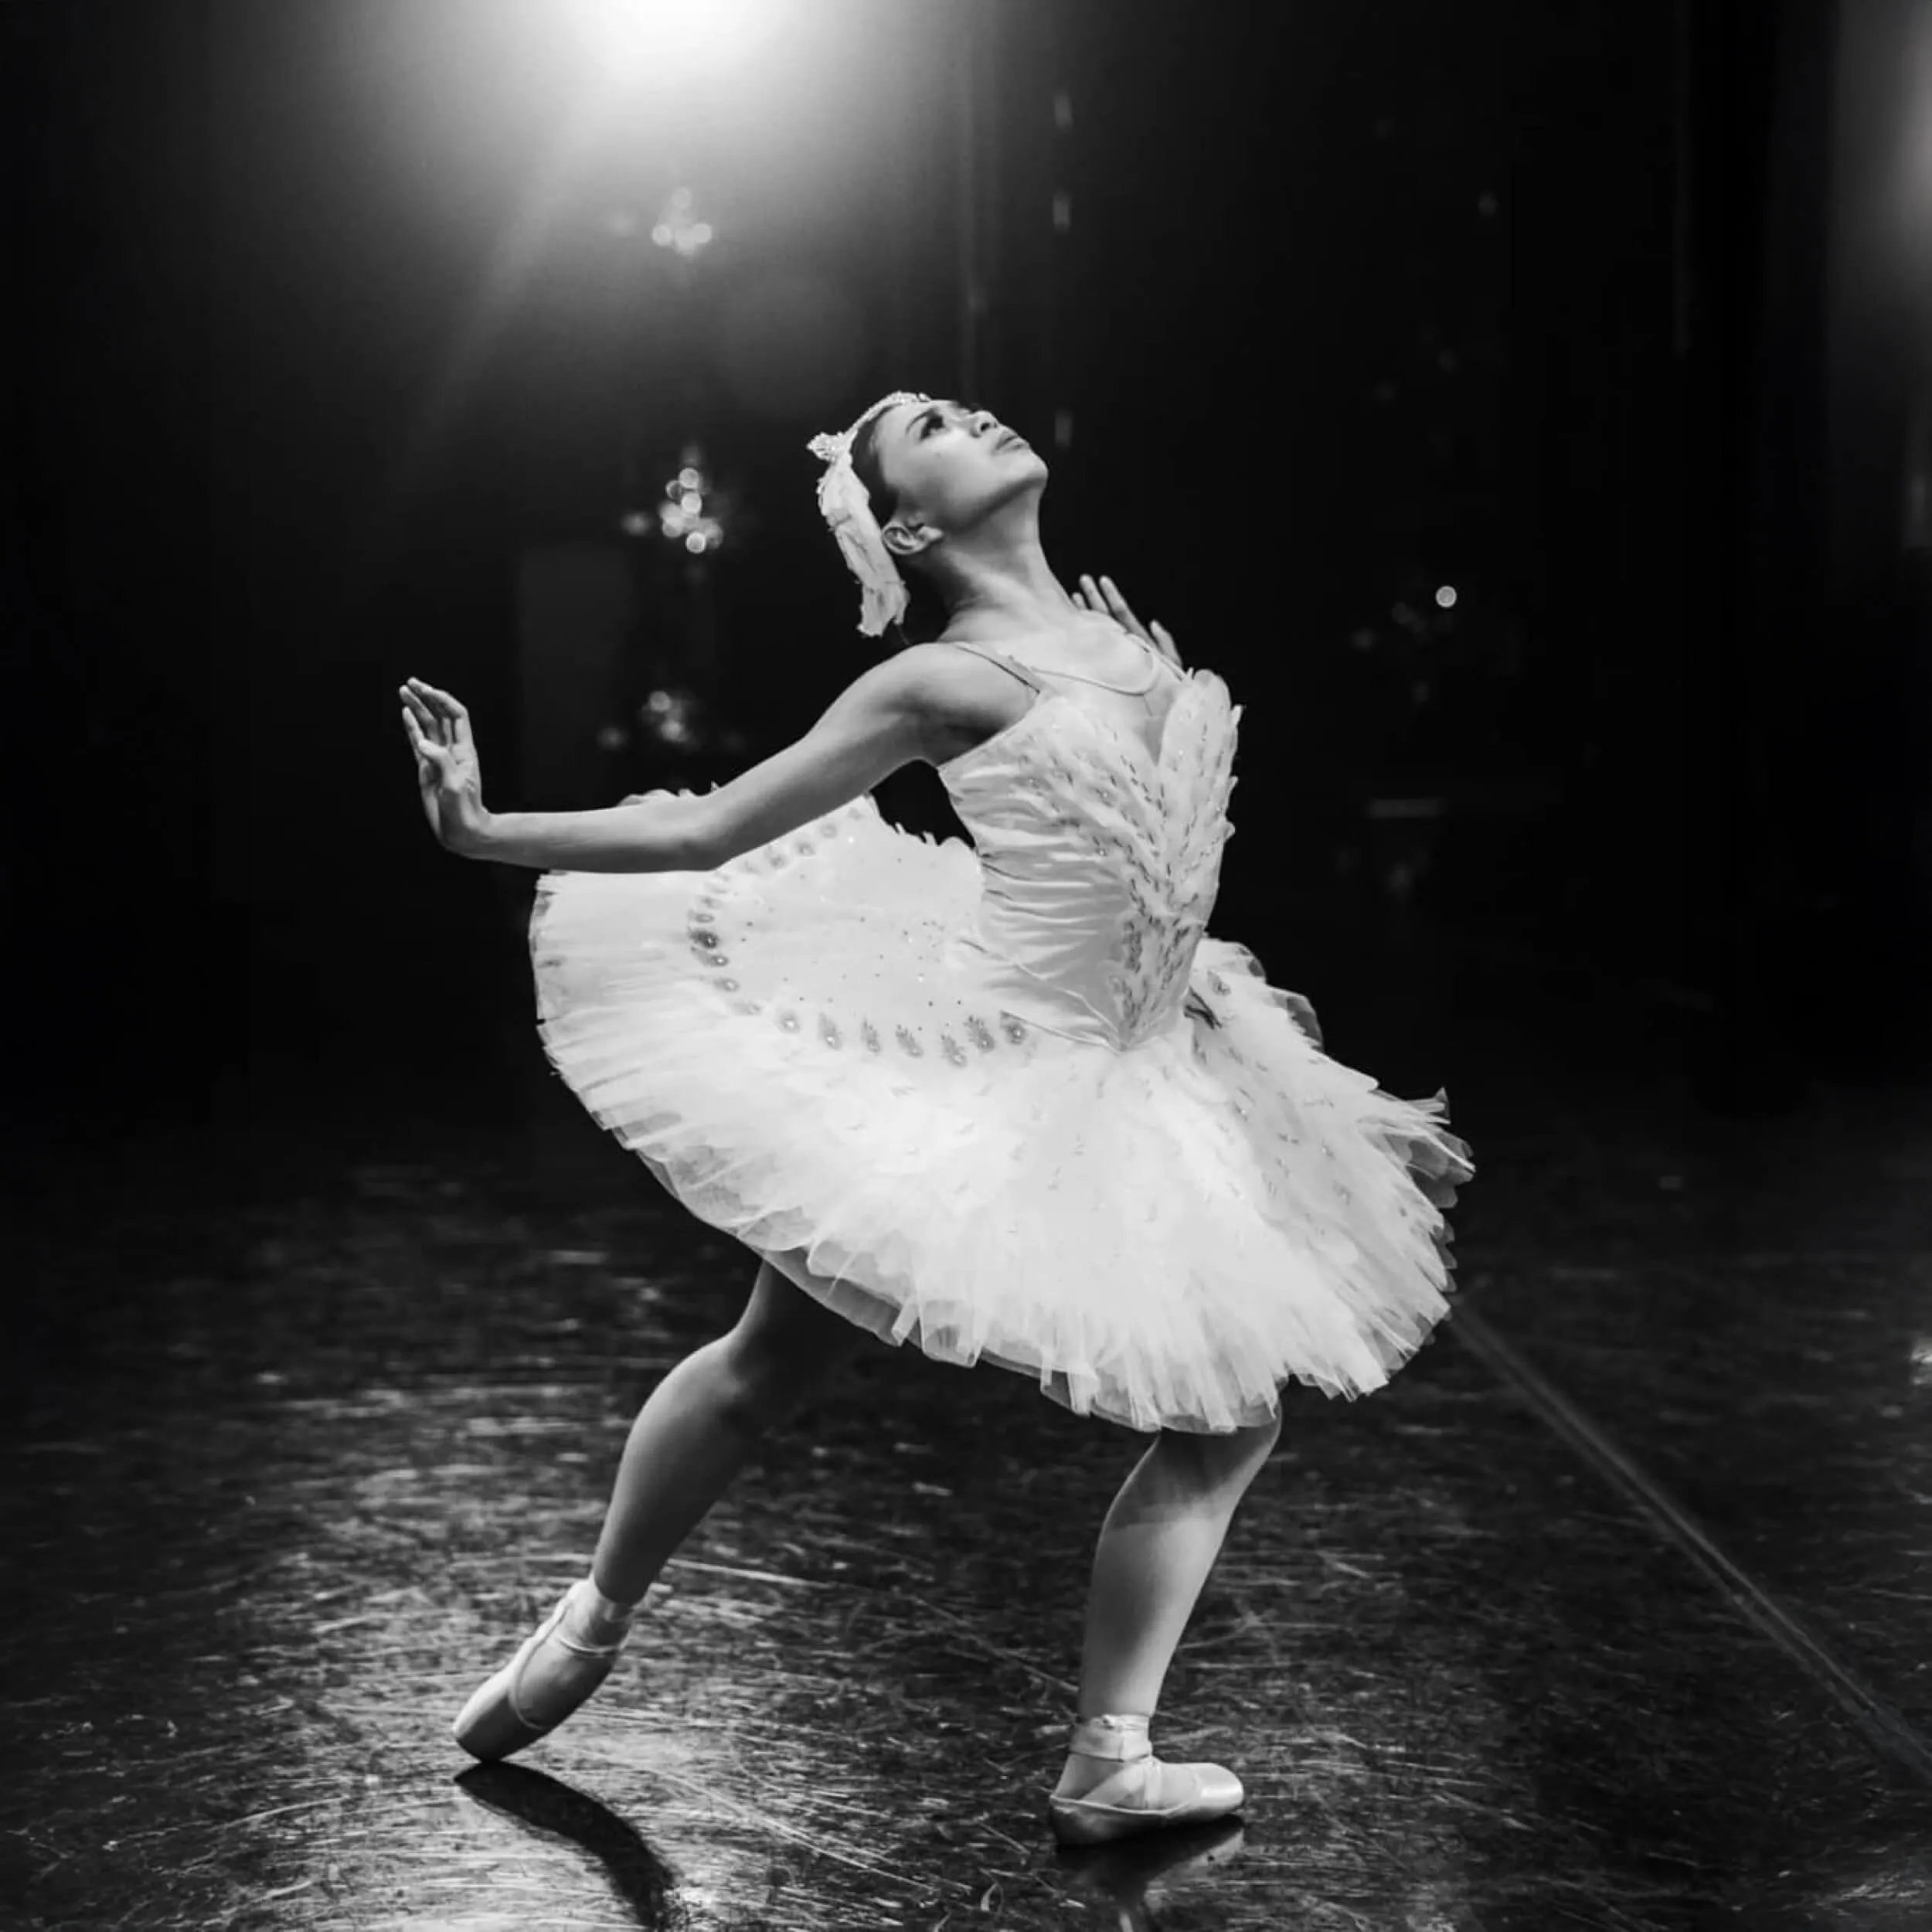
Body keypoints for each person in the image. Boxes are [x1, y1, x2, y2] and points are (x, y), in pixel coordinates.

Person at [397, 390, 1473, 1845]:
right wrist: (484, 832)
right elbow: (716, 825)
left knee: (1228, 1418)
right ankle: (591, 1619)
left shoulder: (1115, 637)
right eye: (929, 427)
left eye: (961, 405)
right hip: (997, 1068)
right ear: (907, 524)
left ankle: (1109, 1755)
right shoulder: (936, 681)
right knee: (773, 1357)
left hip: (1147, 1057)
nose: (973, 413)